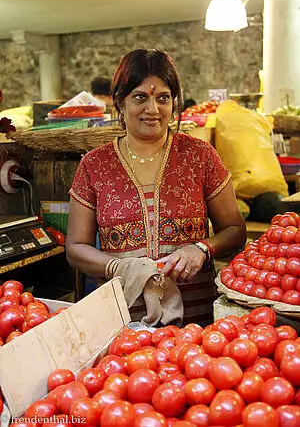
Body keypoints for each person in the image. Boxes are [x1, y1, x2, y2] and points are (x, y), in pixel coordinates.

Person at [67, 48, 246, 326]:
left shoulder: (199, 156)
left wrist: (201, 248)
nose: (153, 109)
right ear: (120, 101)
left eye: (163, 98)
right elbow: (76, 247)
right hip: (121, 320)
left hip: (195, 322)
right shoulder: (95, 164)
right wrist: (117, 266)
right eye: (140, 97)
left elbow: (235, 231)